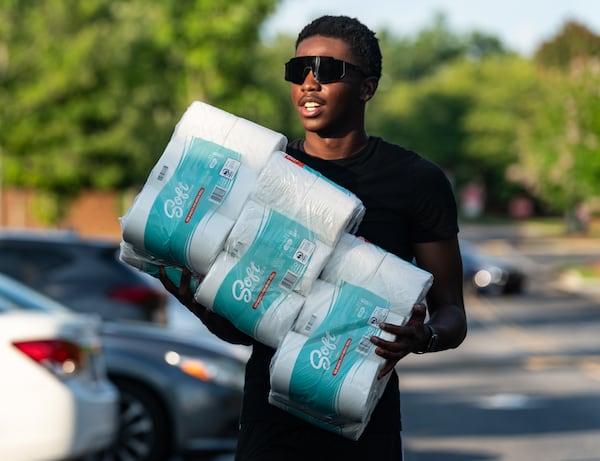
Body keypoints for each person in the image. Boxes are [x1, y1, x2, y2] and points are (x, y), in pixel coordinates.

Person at [160, 15, 467, 461]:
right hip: (268, 421)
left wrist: (425, 337)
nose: (309, 83)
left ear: (367, 87)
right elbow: (239, 330)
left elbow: (453, 312)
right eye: (297, 70)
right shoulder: (264, 172)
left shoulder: (416, 181)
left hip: (361, 417)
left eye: (326, 70)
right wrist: (193, 297)